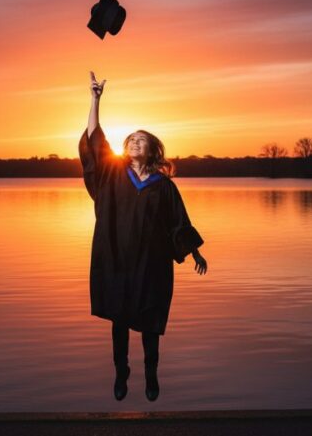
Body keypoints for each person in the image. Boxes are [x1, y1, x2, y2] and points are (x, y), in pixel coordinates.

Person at [78, 71, 208, 402]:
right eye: (131, 139)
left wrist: (194, 252)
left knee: (151, 320)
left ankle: (151, 373)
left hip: (151, 264)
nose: (135, 141)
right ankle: (121, 373)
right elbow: (95, 144)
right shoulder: (111, 174)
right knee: (119, 320)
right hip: (118, 258)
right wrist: (95, 100)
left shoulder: (164, 186)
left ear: (151, 150)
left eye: (141, 139)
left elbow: (178, 222)